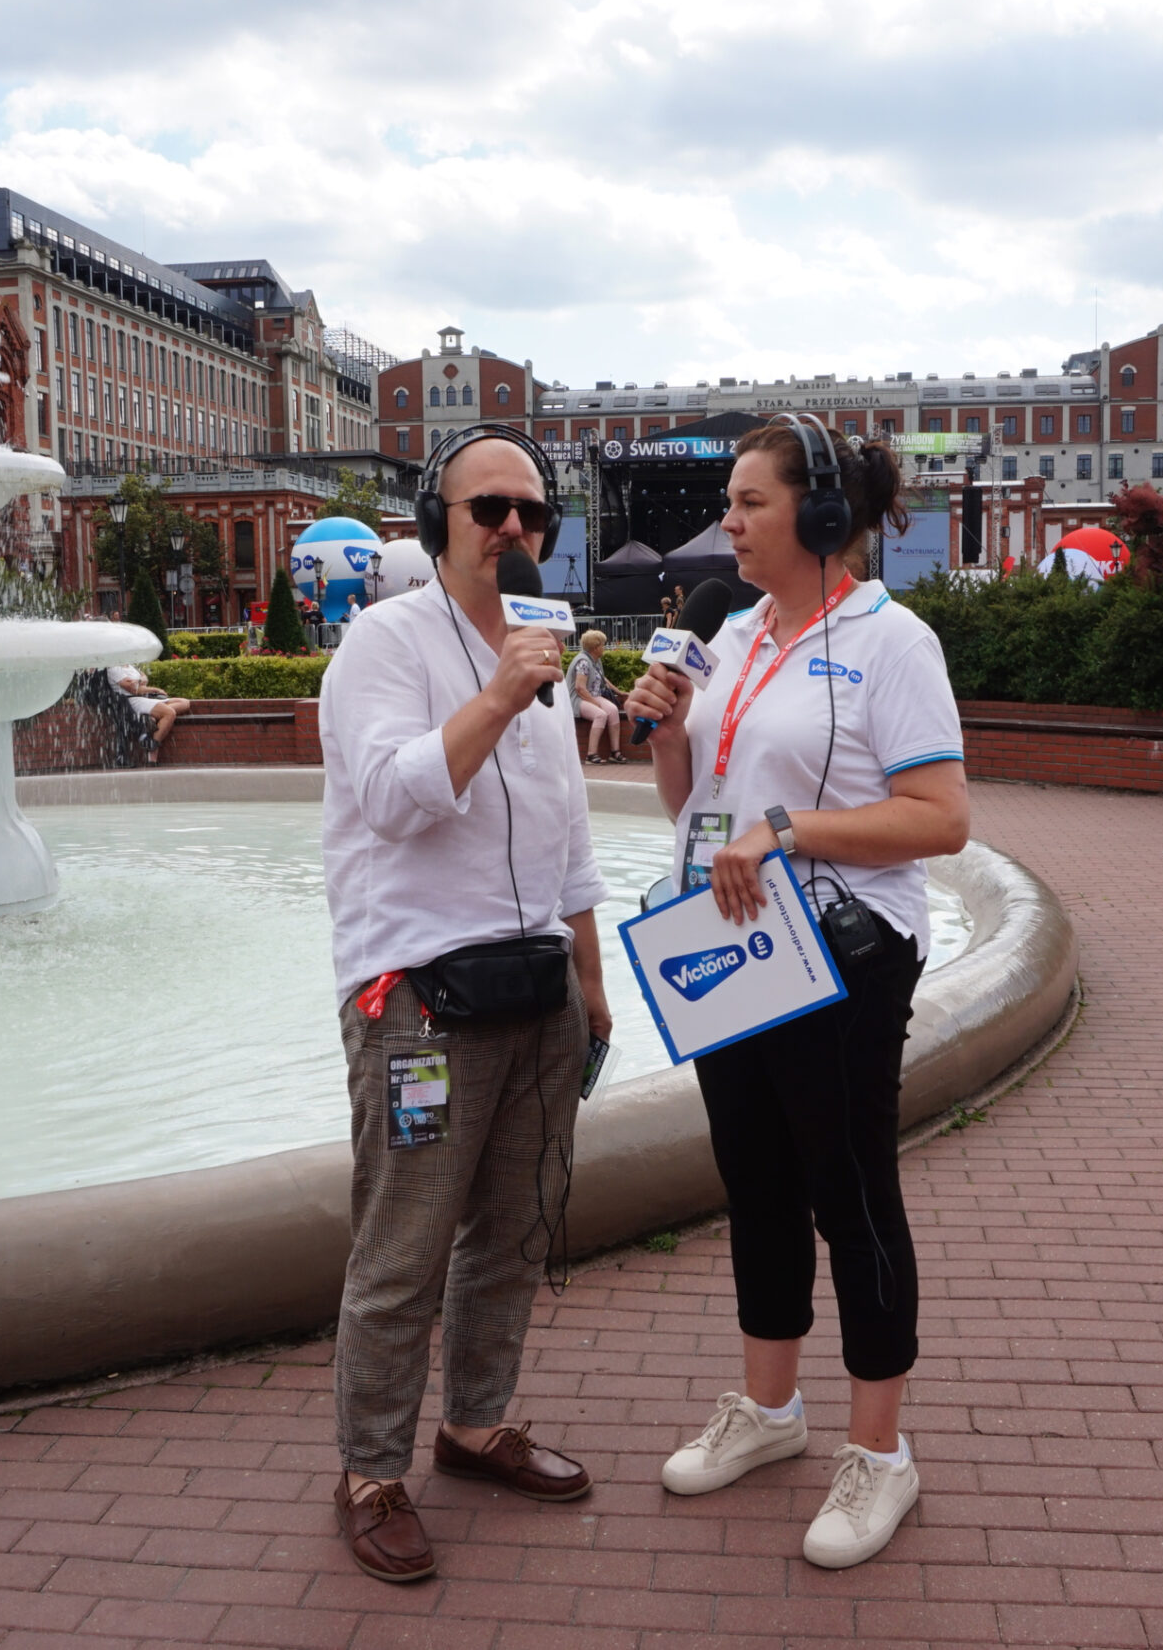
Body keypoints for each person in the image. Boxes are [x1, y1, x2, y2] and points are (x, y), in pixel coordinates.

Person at [622, 415, 969, 1570]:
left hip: (845, 953)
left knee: (849, 1194)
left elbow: (941, 818)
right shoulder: (727, 630)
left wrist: (787, 828)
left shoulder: (891, 641)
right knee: (756, 1183)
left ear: (820, 515)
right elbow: (696, 805)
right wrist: (668, 733)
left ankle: (879, 1452)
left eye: (749, 502)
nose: (726, 521)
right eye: (728, 501)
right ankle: (770, 1410)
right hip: (731, 940)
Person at [316, 423, 615, 1583]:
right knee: (404, 1242)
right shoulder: (383, 645)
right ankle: (369, 1470)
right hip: (419, 1003)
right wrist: (496, 695)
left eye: (531, 511)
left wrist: (590, 979)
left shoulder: (541, 642)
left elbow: (568, 833)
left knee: (517, 1225)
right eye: (488, 507)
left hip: (538, 990)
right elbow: (394, 800)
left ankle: (476, 1422)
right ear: (437, 520)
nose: (512, 528)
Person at [105, 663, 186, 763]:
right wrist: (153, 688)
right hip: (130, 701)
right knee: (169, 713)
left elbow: (142, 681)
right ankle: (153, 747)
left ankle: (152, 716)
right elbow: (133, 689)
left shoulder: (130, 665)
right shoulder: (114, 667)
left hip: (143, 696)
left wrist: (141, 682)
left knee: (184, 703)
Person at [568, 629, 624, 764]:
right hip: (578, 698)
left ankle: (615, 752)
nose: (604, 647)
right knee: (600, 715)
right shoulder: (583, 662)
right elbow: (580, 688)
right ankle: (591, 755)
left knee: (613, 710)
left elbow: (603, 679)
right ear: (595, 647)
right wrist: (596, 703)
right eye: (603, 645)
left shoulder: (596, 660)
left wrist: (620, 692)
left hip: (592, 695)